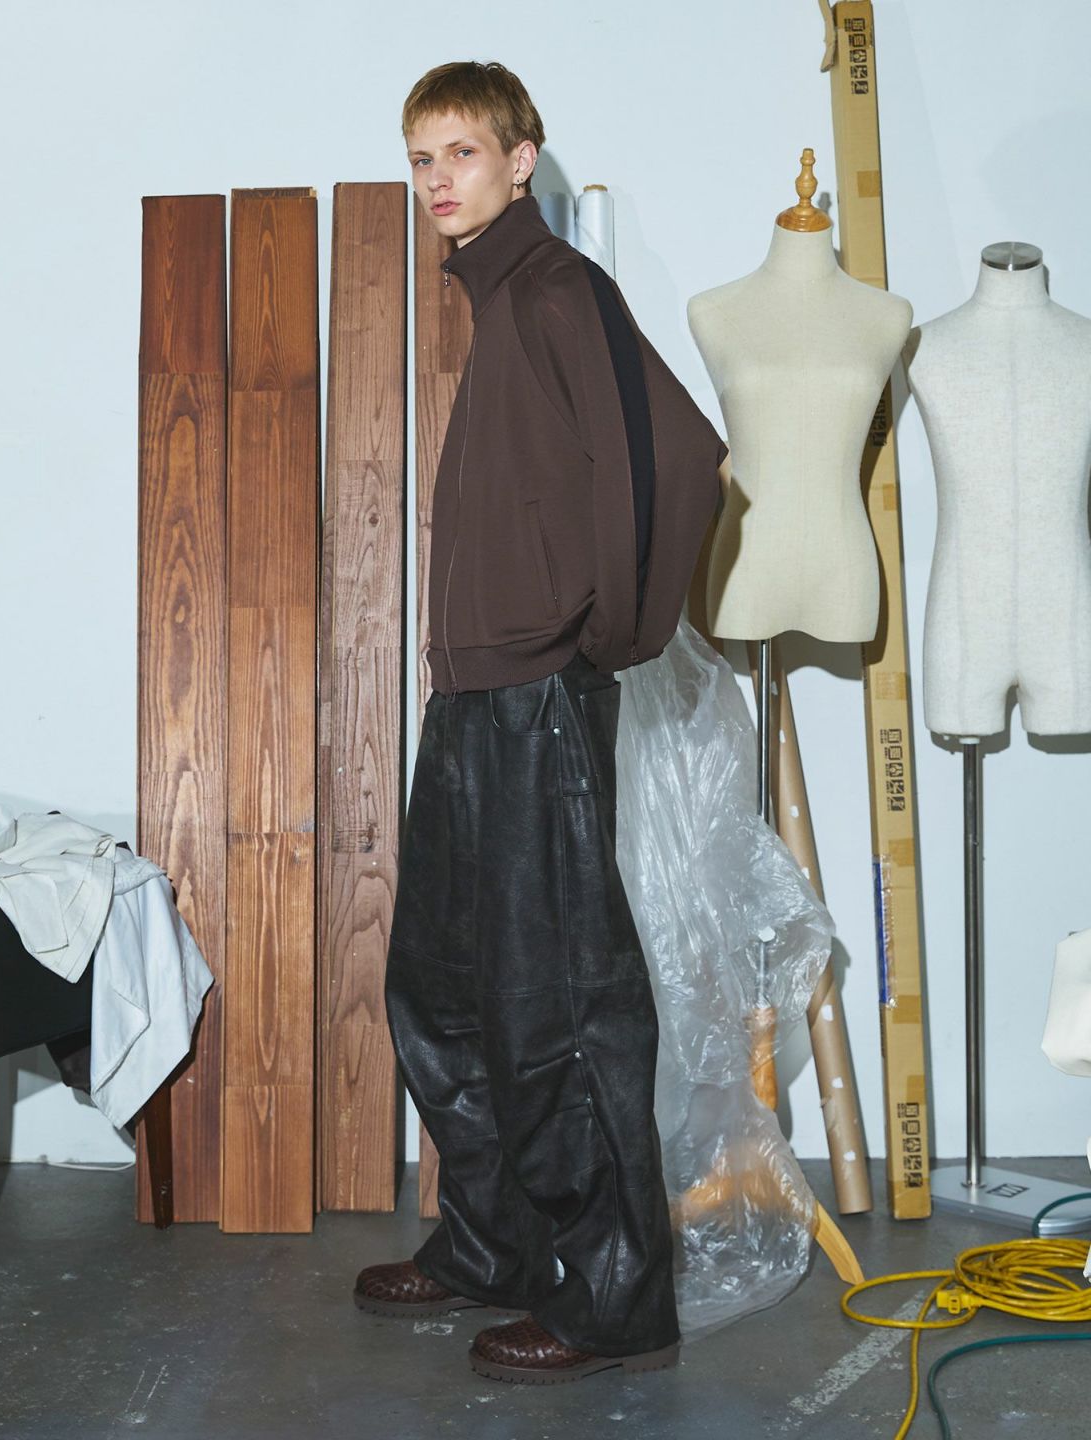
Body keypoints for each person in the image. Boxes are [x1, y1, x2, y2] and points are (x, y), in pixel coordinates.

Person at [352, 59, 725, 1384]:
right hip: (471, 692)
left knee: (558, 1002)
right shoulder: (497, 302)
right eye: (421, 157)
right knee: (443, 988)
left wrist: (605, 635)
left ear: (522, 161)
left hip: (534, 693)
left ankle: (612, 1299)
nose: (438, 178)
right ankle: (491, 1244)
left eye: (462, 151)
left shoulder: (561, 291)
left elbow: (686, 461)